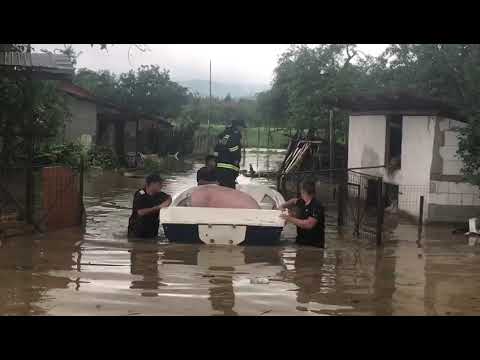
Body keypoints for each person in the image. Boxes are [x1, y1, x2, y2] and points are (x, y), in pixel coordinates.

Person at [279, 179, 325, 248]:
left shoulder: (316, 206)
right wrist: (283, 206)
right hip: (300, 242)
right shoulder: (302, 201)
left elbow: (309, 224)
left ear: (303, 191)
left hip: (314, 246)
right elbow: (293, 201)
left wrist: (289, 218)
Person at [128, 174, 172, 239]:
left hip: (152, 232)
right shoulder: (140, 194)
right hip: (137, 232)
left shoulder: (159, 194)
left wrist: (167, 202)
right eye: (159, 184)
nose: (162, 185)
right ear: (152, 184)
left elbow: (169, 198)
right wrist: (159, 207)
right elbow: (141, 212)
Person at [214, 118, 246, 189]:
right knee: (230, 191)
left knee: (221, 189)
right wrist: (236, 159)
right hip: (229, 169)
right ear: (238, 126)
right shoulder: (235, 134)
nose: (242, 129)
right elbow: (233, 147)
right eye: (242, 127)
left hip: (220, 167)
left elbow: (217, 148)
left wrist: (216, 161)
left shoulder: (225, 134)